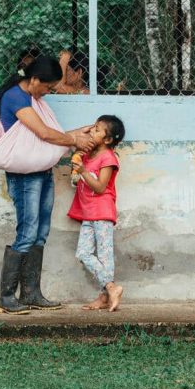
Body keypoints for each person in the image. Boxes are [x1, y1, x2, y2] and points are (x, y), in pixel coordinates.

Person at [0, 55, 96, 314]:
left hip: (42, 170)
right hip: (25, 173)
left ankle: (31, 293)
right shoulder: (17, 97)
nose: (48, 93)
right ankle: (6, 297)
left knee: (41, 231)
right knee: (28, 231)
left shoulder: (35, 99)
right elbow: (45, 134)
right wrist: (74, 140)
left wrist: (79, 133)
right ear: (34, 79)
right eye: (47, 87)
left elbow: (51, 135)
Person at [68, 115, 126, 313]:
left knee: (105, 256)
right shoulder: (87, 156)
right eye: (93, 127)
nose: (92, 131)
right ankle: (111, 288)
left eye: (97, 129)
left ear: (108, 139)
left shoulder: (108, 157)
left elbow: (101, 187)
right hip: (88, 213)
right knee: (83, 253)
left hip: (102, 212)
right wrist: (77, 157)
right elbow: (75, 180)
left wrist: (83, 171)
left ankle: (104, 297)